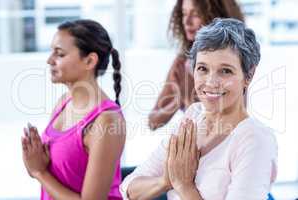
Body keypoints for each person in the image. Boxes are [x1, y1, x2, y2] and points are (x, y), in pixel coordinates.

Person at [121, 18, 278, 200]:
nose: (211, 82)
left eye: (225, 71)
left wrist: (185, 186)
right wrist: (166, 180)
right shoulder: (194, 115)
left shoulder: (255, 140)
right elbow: (129, 188)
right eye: (203, 68)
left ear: (249, 75)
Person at [21, 19, 126, 200]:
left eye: (59, 54)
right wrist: (37, 161)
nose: (49, 60)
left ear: (90, 61)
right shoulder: (64, 102)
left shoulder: (107, 120)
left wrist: (39, 172)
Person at [148, 0, 244, 130]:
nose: (187, 21)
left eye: (196, 14)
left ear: (215, 17)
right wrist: (178, 98)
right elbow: (153, 122)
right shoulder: (182, 63)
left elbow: (229, 124)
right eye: (184, 13)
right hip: (194, 144)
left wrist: (188, 99)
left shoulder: (233, 63)